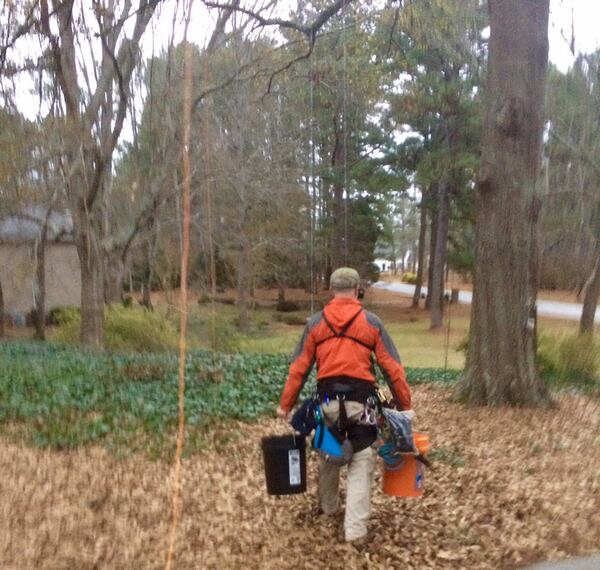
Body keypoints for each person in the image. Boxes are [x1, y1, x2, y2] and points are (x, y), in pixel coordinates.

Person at [276, 267, 411, 543]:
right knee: (361, 461)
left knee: (329, 451)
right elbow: (392, 368)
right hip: (361, 404)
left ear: (332, 290)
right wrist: (404, 404)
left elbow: (298, 368)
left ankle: (329, 508)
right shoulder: (371, 323)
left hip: (326, 403)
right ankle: (355, 532)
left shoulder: (315, 323)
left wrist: (285, 405)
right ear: (357, 288)